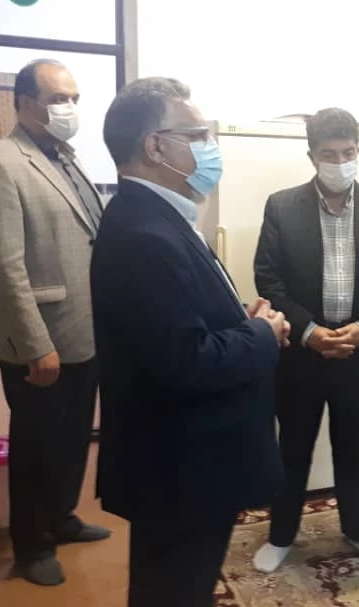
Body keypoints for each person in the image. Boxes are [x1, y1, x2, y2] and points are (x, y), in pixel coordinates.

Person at [91, 77, 289, 607]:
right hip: (180, 470)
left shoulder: (160, 216)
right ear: (155, 146)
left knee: (179, 587)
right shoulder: (143, 235)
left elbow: (177, 324)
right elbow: (187, 361)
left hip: (185, 463)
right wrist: (262, 333)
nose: (210, 147)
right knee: (173, 591)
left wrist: (238, 320)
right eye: (197, 134)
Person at [0, 59, 108, 587]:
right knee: (37, 445)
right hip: (40, 338)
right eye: (57, 99)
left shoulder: (66, 157)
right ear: (25, 102)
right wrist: (34, 345)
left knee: (72, 439)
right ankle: (31, 545)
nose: (69, 108)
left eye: (74, 98)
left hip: (84, 329)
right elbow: (3, 266)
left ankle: (62, 517)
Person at [251, 108, 359, 572]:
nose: (340, 162)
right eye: (329, 154)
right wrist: (309, 332)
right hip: (301, 355)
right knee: (293, 447)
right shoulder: (282, 206)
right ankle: (282, 535)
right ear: (312, 156)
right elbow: (268, 277)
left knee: (354, 447)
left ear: (357, 151)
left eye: (348, 152)